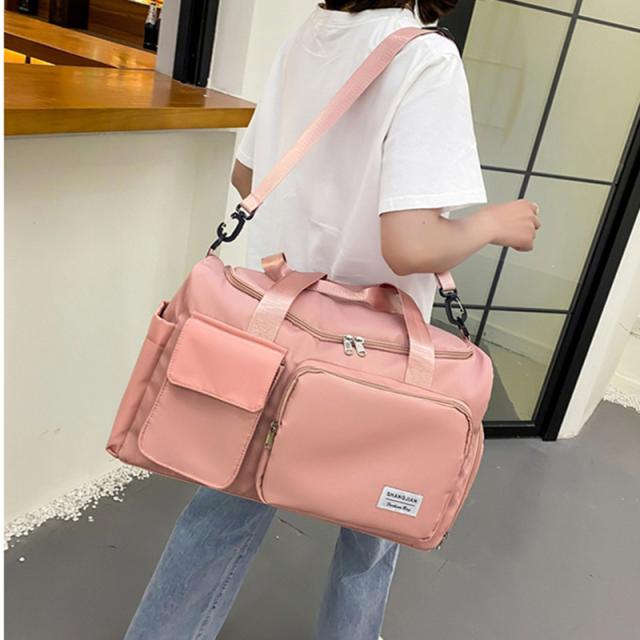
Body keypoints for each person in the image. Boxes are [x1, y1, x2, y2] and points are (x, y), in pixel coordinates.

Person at [123, 1, 540, 639]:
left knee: (231, 491)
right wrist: (492, 223)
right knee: (380, 516)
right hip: (383, 345)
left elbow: (247, 173)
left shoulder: (309, 36)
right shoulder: (427, 58)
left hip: (281, 324)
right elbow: (411, 246)